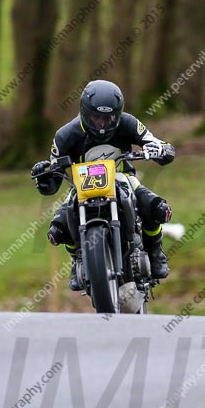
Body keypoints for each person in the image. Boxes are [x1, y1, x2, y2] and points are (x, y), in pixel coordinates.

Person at [32, 79, 175, 290]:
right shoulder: (65, 135)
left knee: (155, 207)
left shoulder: (129, 123)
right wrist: (44, 178)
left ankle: (155, 250)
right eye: (96, 117)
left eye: (108, 119)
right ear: (84, 112)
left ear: (118, 114)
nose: (101, 124)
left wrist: (163, 150)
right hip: (80, 187)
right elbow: (52, 182)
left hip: (123, 178)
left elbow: (153, 142)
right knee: (58, 228)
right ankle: (78, 258)